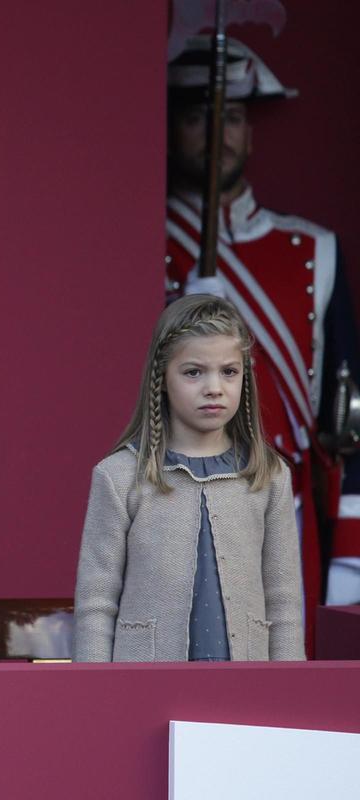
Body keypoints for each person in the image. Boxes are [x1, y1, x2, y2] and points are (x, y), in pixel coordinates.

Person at [165, 37, 360, 612]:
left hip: (284, 498)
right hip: (177, 491)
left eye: (232, 118)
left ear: (250, 134)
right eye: (198, 117)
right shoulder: (146, 243)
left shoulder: (313, 248)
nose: (218, 135)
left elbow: (342, 409)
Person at [74, 295, 304, 662]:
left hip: (246, 686)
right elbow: (96, 603)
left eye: (229, 371)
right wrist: (93, 694)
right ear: (162, 378)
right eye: (193, 372)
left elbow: (284, 601)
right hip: (143, 684)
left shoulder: (268, 475)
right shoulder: (119, 476)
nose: (214, 387)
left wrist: (291, 691)